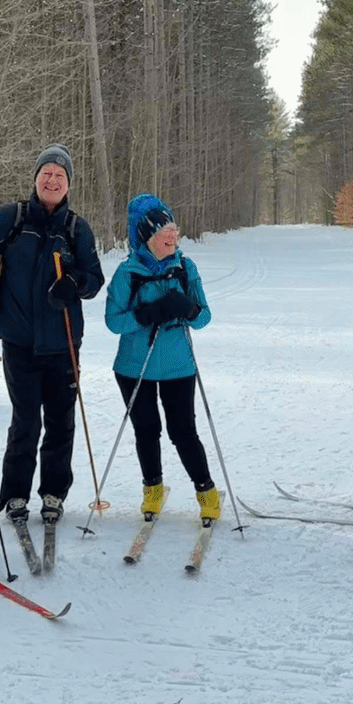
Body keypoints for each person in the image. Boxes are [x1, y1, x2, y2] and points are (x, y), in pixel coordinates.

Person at [0, 144, 104, 527]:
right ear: (36, 178)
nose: (52, 180)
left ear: (68, 185)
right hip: (20, 341)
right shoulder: (12, 218)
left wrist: (75, 284)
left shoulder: (76, 228)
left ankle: (54, 492)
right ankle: (15, 494)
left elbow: (95, 279)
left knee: (62, 421)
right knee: (26, 421)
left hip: (64, 343)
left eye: (60, 176)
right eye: (46, 173)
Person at [104, 194, 219, 521]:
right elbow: (114, 322)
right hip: (133, 367)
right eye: (164, 232)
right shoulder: (128, 273)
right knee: (146, 428)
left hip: (178, 366)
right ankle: (152, 489)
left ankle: (206, 490)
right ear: (147, 238)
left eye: (174, 230)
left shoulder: (186, 268)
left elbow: (204, 318)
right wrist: (148, 313)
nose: (173, 237)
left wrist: (188, 308)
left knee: (183, 431)